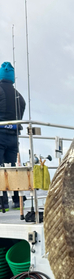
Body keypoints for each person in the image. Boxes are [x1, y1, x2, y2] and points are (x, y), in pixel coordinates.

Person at [0, 61, 26, 211]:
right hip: (13, 137)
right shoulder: (20, 97)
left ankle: (2, 203)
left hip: (0, 135)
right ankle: (17, 201)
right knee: (13, 169)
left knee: (0, 169)